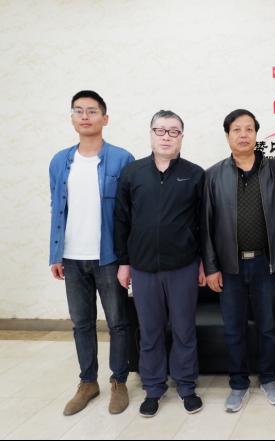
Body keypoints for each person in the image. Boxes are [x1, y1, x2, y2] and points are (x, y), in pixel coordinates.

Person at [201, 109, 275, 413]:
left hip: (266, 264)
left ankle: (269, 378)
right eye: (237, 130)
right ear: (227, 135)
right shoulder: (213, 175)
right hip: (230, 267)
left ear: (256, 133)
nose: (243, 135)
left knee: (268, 325)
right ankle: (238, 383)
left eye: (249, 129)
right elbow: (206, 226)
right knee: (234, 328)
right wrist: (211, 267)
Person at [114, 110, 206, 417]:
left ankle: (186, 386)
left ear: (182, 137)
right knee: (150, 330)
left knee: (184, 329)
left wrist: (204, 263)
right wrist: (124, 263)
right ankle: (153, 388)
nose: (166, 137)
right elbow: (121, 220)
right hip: (143, 267)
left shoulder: (195, 174)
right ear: (151, 134)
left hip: (183, 265)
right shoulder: (133, 173)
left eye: (173, 131)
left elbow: (204, 223)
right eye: (160, 130)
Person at [49, 90, 134, 416]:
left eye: (92, 111)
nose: (85, 116)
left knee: (118, 322)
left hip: (108, 256)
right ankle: (88, 382)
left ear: (105, 118)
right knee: (81, 323)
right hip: (72, 257)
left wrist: (127, 260)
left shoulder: (122, 159)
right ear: (72, 118)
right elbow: (57, 209)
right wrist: (55, 254)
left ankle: (119, 381)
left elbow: (129, 214)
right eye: (78, 111)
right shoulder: (59, 161)